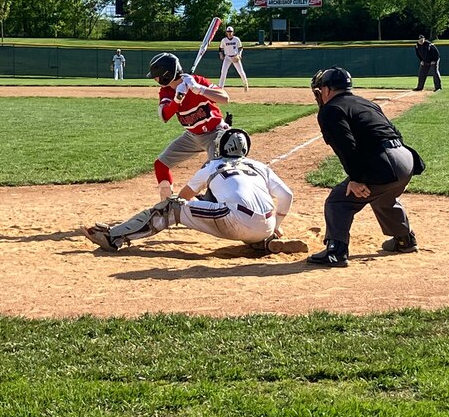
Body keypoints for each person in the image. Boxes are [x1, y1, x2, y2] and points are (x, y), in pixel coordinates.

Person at [80, 128, 306, 254]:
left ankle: (113, 238)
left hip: (234, 219)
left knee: (171, 207)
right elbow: (287, 195)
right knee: (243, 215)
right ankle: (266, 242)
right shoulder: (259, 166)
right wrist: (276, 225)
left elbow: (182, 198)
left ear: (220, 147)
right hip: (267, 223)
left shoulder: (213, 165)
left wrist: (193, 205)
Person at [307, 67, 425, 267]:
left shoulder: (331, 109)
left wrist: (356, 178)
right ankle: (404, 240)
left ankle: (336, 252)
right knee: (383, 197)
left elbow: (346, 145)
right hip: (406, 159)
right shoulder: (366, 103)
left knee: (338, 201)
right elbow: (394, 131)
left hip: (385, 162)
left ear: (327, 90)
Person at [146, 52, 231, 200]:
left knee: (214, 172)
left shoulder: (197, 81)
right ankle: (167, 204)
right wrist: (177, 99)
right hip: (192, 136)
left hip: (215, 134)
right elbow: (164, 116)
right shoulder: (166, 91)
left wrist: (200, 89)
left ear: (166, 75)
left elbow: (225, 98)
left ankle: (217, 203)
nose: (155, 79)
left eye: (157, 76)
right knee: (161, 164)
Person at [218, 25, 249, 91]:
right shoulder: (224, 40)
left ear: (233, 32)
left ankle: (245, 84)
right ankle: (220, 87)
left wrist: (239, 55)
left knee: (241, 72)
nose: (229, 33)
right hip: (227, 57)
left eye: (230, 31)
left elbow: (240, 48)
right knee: (223, 72)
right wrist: (221, 54)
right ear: (226, 32)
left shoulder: (236, 39)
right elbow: (220, 48)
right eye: (228, 32)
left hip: (235, 57)